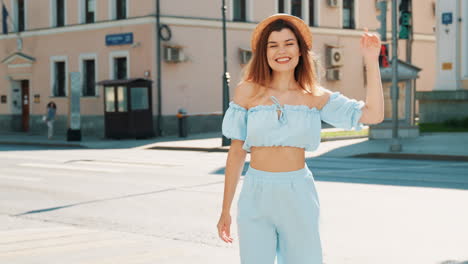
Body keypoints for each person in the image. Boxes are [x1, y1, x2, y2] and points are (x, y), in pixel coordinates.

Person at [216, 14, 384, 264]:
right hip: (255, 192)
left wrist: (372, 61)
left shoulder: (314, 96)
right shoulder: (247, 92)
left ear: (301, 50)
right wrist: (225, 210)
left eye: (288, 43)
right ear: (264, 52)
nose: (281, 51)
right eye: (273, 45)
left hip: (298, 192)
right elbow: (237, 153)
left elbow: (373, 114)